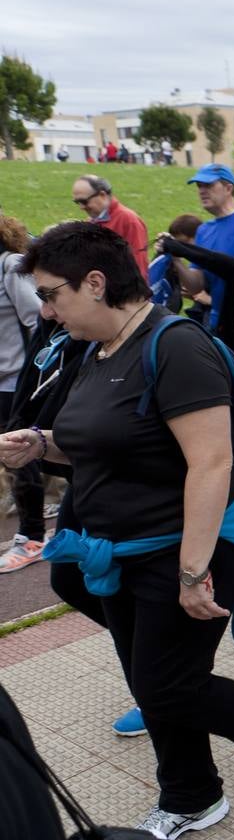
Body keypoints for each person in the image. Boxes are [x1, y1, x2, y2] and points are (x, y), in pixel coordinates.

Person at [2, 222, 234, 840]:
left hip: (182, 545)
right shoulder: (92, 350)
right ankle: (192, 794)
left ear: (95, 284)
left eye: (51, 294)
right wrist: (40, 444)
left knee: (165, 685)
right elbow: (105, 440)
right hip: (116, 548)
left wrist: (194, 571)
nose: (44, 309)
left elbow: (212, 461)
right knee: (153, 677)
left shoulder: (174, 346)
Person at [0, 216, 44, 573]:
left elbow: (37, 319)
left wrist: (34, 372)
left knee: (21, 457)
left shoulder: (10, 265)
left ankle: (31, 537)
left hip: (15, 383)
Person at [180, 165, 234, 351]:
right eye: (198, 186)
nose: (202, 191)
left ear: (228, 188)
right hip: (214, 322)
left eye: (208, 185)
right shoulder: (203, 230)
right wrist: (176, 259)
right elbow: (196, 285)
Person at [71, 175, 148, 273]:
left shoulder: (128, 220)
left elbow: (139, 263)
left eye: (84, 201)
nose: (81, 207)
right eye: (77, 202)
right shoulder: (91, 221)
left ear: (102, 195)